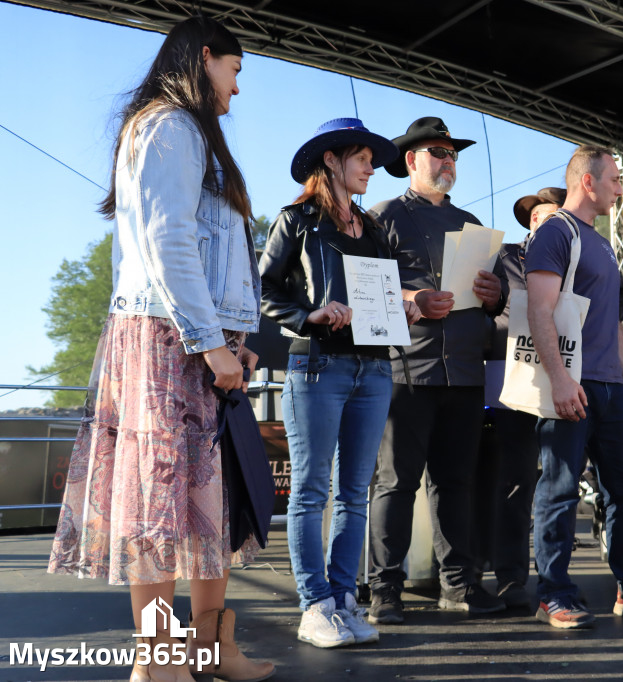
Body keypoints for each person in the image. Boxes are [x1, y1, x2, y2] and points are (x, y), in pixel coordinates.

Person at [47, 15, 275, 681]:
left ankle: (210, 648)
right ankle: (157, 658)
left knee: (210, 500)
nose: (236, 89)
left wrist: (232, 337)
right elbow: (167, 238)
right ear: (206, 59)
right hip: (166, 338)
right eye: (234, 71)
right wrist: (210, 342)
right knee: (159, 501)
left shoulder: (187, 132)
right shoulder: (169, 126)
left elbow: (202, 254)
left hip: (192, 338)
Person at [259, 119, 423, 648]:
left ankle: (344, 600)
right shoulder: (296, 220)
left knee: (354, 491)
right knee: (310, 491)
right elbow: (261, 289)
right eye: (363, 158)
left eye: (372, 160)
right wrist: (311, 314)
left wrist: (412, 307)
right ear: (331, 160)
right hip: (317, 366)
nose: (372, 167)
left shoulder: (374, 229)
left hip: (374, 368)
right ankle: (315, 606)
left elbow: (386, 296)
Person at [526, 145, 623, 629]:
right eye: (614, 178)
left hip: (610, 387)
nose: (620, 186)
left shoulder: (600, 243)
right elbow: (539, 310)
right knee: (558, 491)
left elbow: (612, 325)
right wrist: (558, 379)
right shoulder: (555, 233)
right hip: (570, 385)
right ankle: (553, 593)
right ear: (587, 182)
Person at [365, 117, 509, 623]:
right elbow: (363, 289)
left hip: (465, 374)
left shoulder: (473, 225)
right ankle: (385, 590)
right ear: (411, 161)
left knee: (455, 484)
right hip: (407, 371)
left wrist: (497, 295)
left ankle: (459, 584)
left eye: (452, 154)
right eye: (437, 153)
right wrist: (412, 298)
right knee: (396, 484)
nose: (448, 161)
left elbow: (495, 301)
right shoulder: (382, 217)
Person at [478, 187, 566, 608]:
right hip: (511, 380)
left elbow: (620, 293)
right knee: (512, 482)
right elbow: (482, 305)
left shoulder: (580, 255)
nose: (548, 223)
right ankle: (510, 576)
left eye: (557, 216)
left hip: (565, 380)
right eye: (542, 217)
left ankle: (556, 580)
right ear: (532, 223)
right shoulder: (505, 256)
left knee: (557, 482)